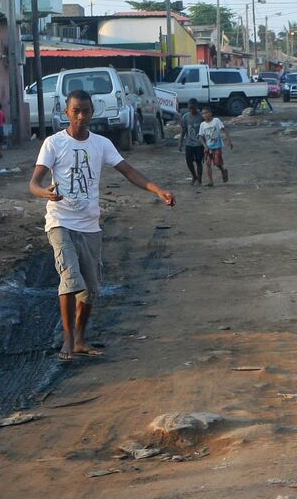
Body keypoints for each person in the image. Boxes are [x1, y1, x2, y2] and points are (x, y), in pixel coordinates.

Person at [30, 89, 174, 361]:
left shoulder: (102, 144)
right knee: (70, 279)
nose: (81, 116)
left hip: (90, 225)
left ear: (92, 112)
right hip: (60, 221)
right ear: (66, 113)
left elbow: (129, 171)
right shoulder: (53, 143)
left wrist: (158, 190)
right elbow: (34, 183)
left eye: (86, 110)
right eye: (76, 111)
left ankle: (81, 338)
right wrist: (44, 192)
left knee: (91, 288)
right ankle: (68, 340)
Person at [198, 105, 233, 186]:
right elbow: (201, 137)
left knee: (217, 163)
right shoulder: (202, 125)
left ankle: (223, 170)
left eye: (206, 113)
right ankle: (211, 181)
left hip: (217, 146)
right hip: (208, 147)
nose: (205, 115)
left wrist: (229, 140)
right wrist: (205, 146)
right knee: (208, 163)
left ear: (210, 113)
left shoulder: (216, 121)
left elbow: (224, 129)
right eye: (203, 114)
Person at [178, 100, 205, 185]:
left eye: (194, 108)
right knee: (189, 161)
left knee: (198, 161)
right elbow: (183, 130)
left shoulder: (201, 116)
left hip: (200, 143)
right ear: (188, 108)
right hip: (189, 143)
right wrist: (180, 141)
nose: (192, 110)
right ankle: (194, 176)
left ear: (197, 107)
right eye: (190, 108)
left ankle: (199, 179)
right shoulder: (185, 117)